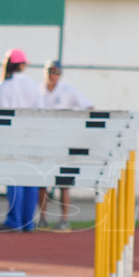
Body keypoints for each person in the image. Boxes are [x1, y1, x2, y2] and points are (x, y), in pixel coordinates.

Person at [37, 59, 93, 231]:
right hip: (44, 142)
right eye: (50, 72)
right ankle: (43, 218)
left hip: (64, 142)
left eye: (56, 72)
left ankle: (64, 219)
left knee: (64, 182)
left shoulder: (68, 91)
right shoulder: (38, 91)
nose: (53, 75)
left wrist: (78, 128)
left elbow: (89, 107)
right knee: (41, 180)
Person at [0, 48, 41, 232]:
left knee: (14, 178)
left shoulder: (3, 85)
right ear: (22, 65)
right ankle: (28, 222)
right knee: (30, 178)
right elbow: (40, 110)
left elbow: (0, 112)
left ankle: (14, 220)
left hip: (10, 137)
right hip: (30, 136)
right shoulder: (33, 85)